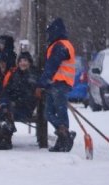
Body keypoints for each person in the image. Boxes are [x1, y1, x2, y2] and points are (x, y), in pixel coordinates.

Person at [37, 17, 76, 152]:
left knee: (58, 112)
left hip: (60, 83)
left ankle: (64, 137)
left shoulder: (60, 45)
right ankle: (64, 135)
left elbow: (52, 65)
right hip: (55, 84)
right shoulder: (61, 44)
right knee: (49, 113)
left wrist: (42, 82)